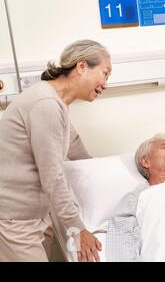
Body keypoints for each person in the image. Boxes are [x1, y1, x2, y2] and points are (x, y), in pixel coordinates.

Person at [0, 40, 112, 262]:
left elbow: (75, 145)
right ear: (81, 66)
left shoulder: (57, 103)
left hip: (36, 216)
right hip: (15, 221)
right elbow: (53, 177)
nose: (106, 84)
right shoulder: (45, 104)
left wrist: (106, 178)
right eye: (105, 73)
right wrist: (78, 229)